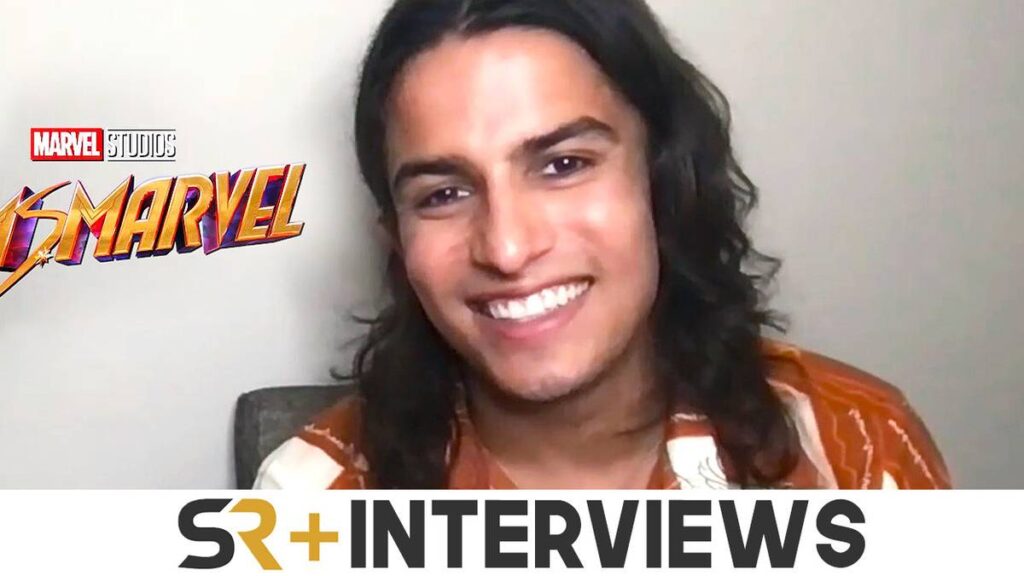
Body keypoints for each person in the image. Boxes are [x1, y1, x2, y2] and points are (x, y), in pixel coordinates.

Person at [255, 0, 950, 490]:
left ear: (662, 180)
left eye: (563, 165)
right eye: (443, 194)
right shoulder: (309, 505)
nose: (507, 248)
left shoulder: (857, 449)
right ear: (397, 242)